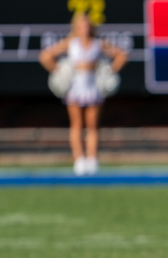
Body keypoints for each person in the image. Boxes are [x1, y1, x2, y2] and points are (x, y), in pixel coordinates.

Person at [38, 12, 128, 175]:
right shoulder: (70, 43)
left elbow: (121, 55)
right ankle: (79, 160)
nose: (85, 28)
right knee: (77, 125)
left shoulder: (98, 43)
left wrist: (109, 71)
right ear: (76, 27)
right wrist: (59, 71)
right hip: (75, 87)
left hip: (93, 86)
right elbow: (45, 56)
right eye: (81, 25)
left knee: (92, 125)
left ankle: (92, 160)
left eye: (87, 25)